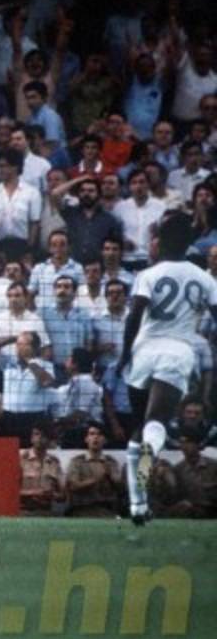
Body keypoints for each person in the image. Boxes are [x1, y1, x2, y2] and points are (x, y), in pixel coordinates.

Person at [117, 212, 217, 525]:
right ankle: (153, 446)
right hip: (177, 352)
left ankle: (137, 504)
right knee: (155, 424)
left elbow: (134, 316)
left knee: (138, 430)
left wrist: (124, 353)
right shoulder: (204, 278)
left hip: (143, 351)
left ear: (161, 241)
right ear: (189, 243)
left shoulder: (149, 274)